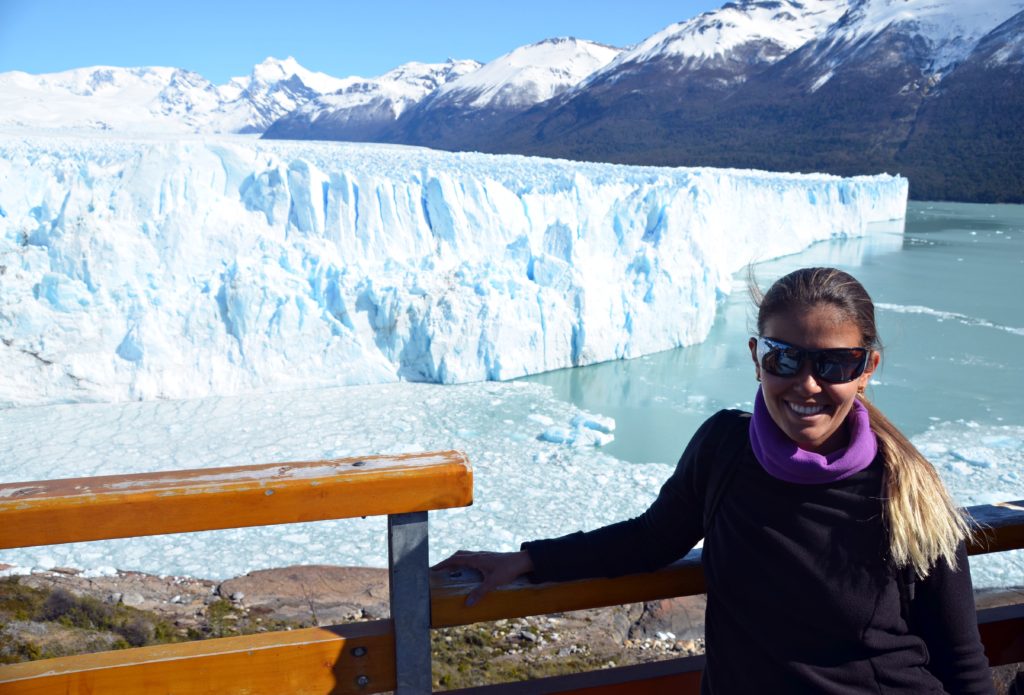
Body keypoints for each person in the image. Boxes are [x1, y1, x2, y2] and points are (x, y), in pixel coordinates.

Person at [434, 267, 994, 694]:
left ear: (866, 369)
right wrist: (531, 559)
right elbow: (650, 538)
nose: (806, 384)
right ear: (756, 357)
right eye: (783, 358)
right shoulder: (724, 449)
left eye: (833, 364)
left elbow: (959, 655)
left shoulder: (907, 489)